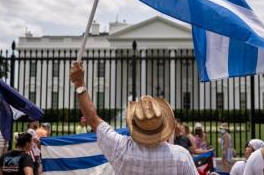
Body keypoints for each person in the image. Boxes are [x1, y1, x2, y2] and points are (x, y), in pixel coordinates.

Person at [69, 62, 198, 174]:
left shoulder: (121, 149)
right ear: (163, 125)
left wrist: (80, 84)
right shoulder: (181, 157)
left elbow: (92, 119)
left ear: (134, 124)